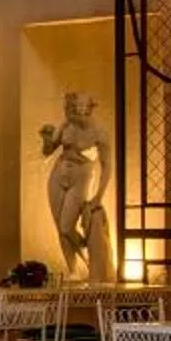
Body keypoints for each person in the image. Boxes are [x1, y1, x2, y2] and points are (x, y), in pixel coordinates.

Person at [40, 92, 111, 280]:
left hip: (82, 175)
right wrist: (47, 139)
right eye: (68, 110)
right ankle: (73, 271)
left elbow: (107, 166)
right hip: (59, 172)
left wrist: (98, 197)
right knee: (59, 227)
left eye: (74, 110)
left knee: (66, 226)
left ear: (87, 110)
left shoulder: (99, 132)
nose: (70, 114)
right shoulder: (66, 124)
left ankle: (88, 258)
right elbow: (48, 151)